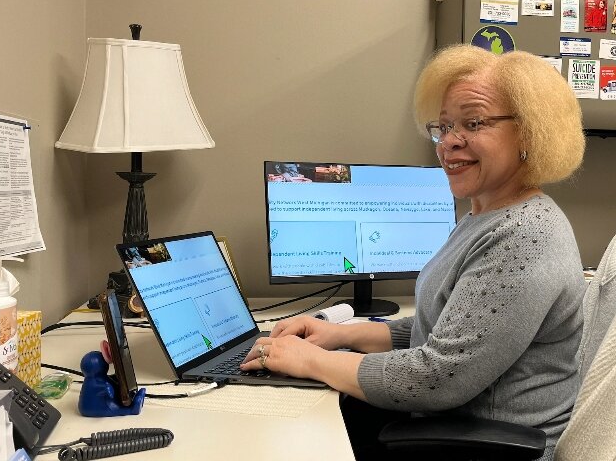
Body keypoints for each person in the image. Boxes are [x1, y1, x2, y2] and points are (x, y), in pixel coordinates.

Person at [241, 45, 586, 461]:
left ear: (532, 131)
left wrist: (309, 360)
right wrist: (341, 335)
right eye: (443, 127)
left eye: (473, 123)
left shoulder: (525, 236)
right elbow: (444, 326)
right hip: (448, 429)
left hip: (486, 446)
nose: (449, 144)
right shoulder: (484, 216)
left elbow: (438, 377)